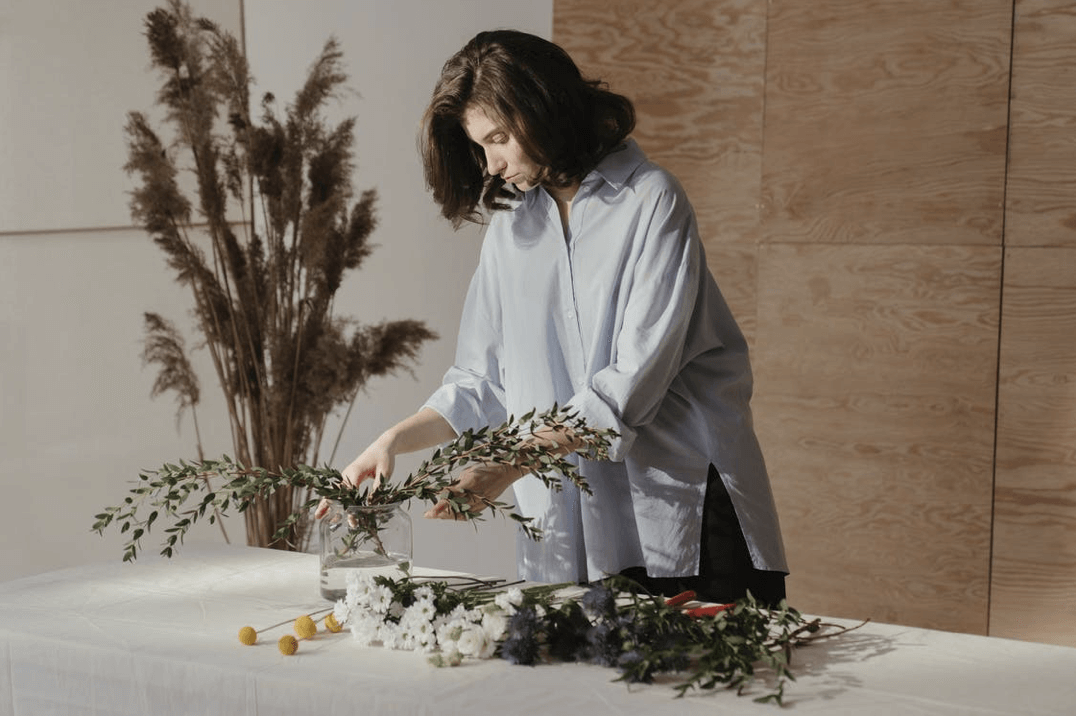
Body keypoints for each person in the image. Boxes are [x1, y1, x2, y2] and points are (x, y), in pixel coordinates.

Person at [322, 29, 788, 605]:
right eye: (480, 146)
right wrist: (392, 439)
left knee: (714, 689)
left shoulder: (652, 202)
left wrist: (507, 466)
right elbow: (481, 381)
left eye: (498, 138)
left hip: (685, 507)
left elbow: (629, 386)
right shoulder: (511, 232)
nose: (491, 165)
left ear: (542, 107)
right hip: (580, 522)